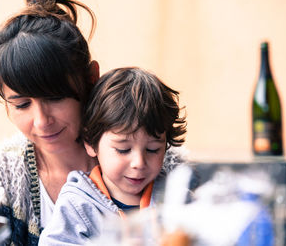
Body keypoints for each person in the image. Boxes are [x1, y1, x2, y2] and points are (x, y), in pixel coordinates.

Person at [0, 0, 99, 244]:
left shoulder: (139, 159)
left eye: (55, 97)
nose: (42, 121)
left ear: (91, 78)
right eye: (22, 105)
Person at [39, 67, 188, 245]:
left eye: (153, 149)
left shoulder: (175, 197)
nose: (139, 163)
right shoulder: (76, 204)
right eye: (123, 150)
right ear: (90, 142)